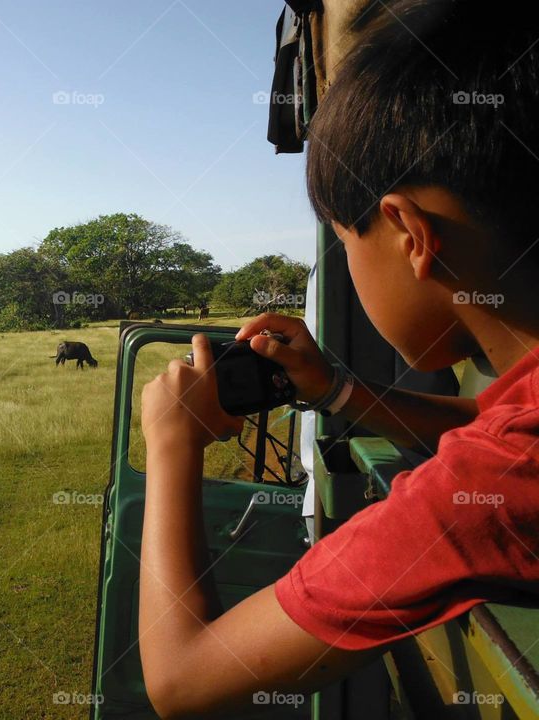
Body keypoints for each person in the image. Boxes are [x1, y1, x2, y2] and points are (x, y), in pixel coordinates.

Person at [137, 1, 539, 716]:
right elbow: (488, 417)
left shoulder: (481, 493)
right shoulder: (520, 429)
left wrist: (171, 446)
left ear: (408, 233)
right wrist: (335, 391)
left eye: (346, 245)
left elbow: (183, 679)